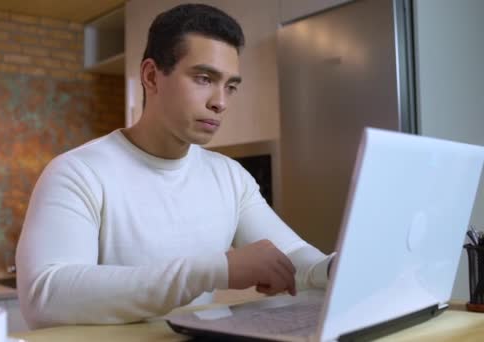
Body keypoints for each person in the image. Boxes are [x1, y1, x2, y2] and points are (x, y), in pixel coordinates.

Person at [16, 3, 334, 329]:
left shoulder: (230, 177)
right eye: (204, 78)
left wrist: (336, 267)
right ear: (152, 76)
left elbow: (295, 259)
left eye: (230, 86)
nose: (220, 101)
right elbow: (46, 296)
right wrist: (215, 270)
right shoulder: (78, 172)